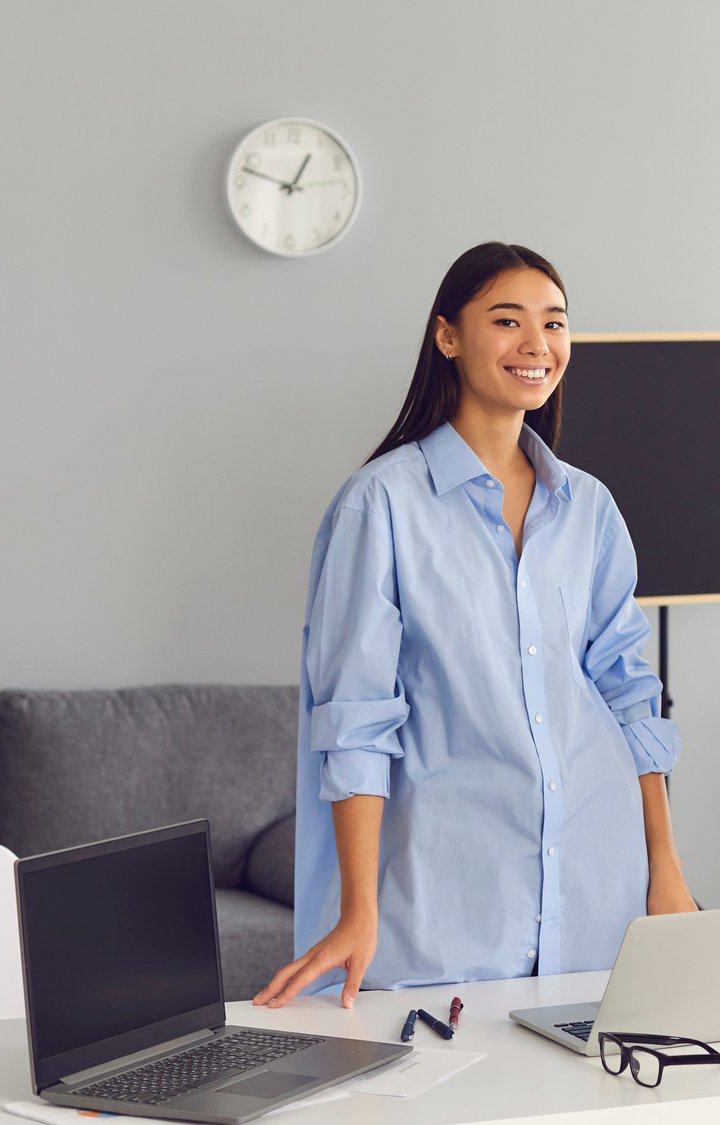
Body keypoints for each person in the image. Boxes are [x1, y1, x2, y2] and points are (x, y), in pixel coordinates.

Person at [257, 242, 696, 1010]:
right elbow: (355, 723)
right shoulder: (380, 506)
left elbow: (629, 697)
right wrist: (359, 910)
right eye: (508, 320)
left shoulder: (588, 508)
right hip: (446, 914)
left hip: (598, 894)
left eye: (555, 323)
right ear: (448, 336)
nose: (537, 345)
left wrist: (666, 869)